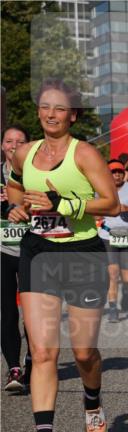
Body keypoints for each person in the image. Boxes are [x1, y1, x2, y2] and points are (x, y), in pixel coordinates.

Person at [6, 79, 121, 432]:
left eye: (59, 109)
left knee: (84, 353)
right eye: (44, 106)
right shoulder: (24, 153)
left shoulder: (85, 154)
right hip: (38, 253)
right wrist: (16, 208)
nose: (50, 114)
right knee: (42, 352)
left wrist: (64, 202)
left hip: (81, 253)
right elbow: (15, 187)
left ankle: (92, 400)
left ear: (73, 115)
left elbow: (113, 202)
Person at [2, 124, 30, 393]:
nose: (13, 145)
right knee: (7, 313)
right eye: (8, 141)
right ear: (2, 146)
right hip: (2, 251)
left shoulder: (34, 174)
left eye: (19, 141)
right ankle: (13, 367)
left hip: (31, 250)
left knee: (33, 315)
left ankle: (33, 361)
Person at [97, 159, 128, 322]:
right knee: (113, 274)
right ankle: (113, 308)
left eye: (119, 172)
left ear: (124, 174)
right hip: (108, 237)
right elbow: (94, 210)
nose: (116, 175)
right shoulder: (101, 189)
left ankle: (127, 295)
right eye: (113, 172)